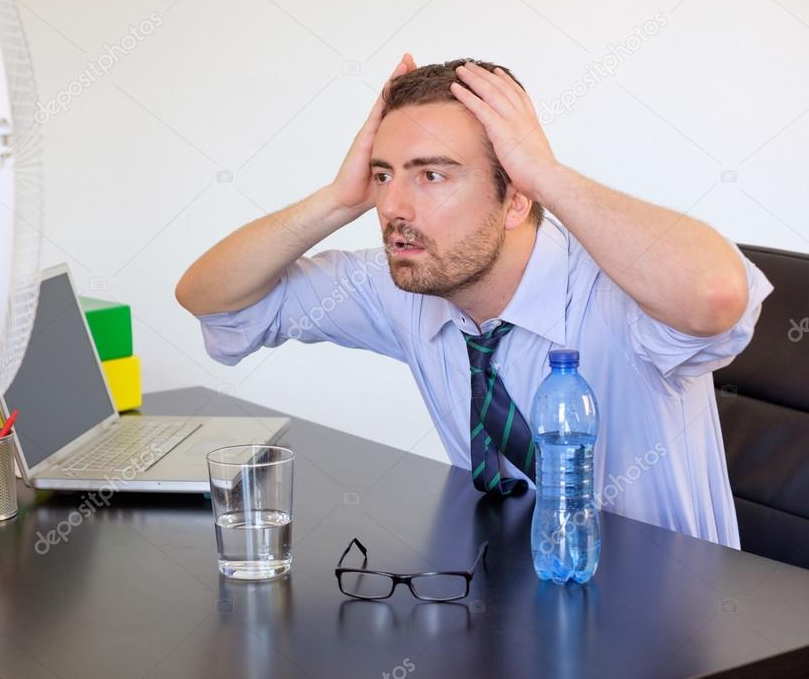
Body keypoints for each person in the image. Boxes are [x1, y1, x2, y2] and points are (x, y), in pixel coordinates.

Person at [175, 54, 772, 549]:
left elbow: (715, 296)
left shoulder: (618, 289)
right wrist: (338, 198)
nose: (393, 208)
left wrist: (546, 173)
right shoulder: (410, 283)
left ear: (516, 198)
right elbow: (212, 298)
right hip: (506, 611)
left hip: (675, 635)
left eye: (431, 175)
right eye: (384, 175)